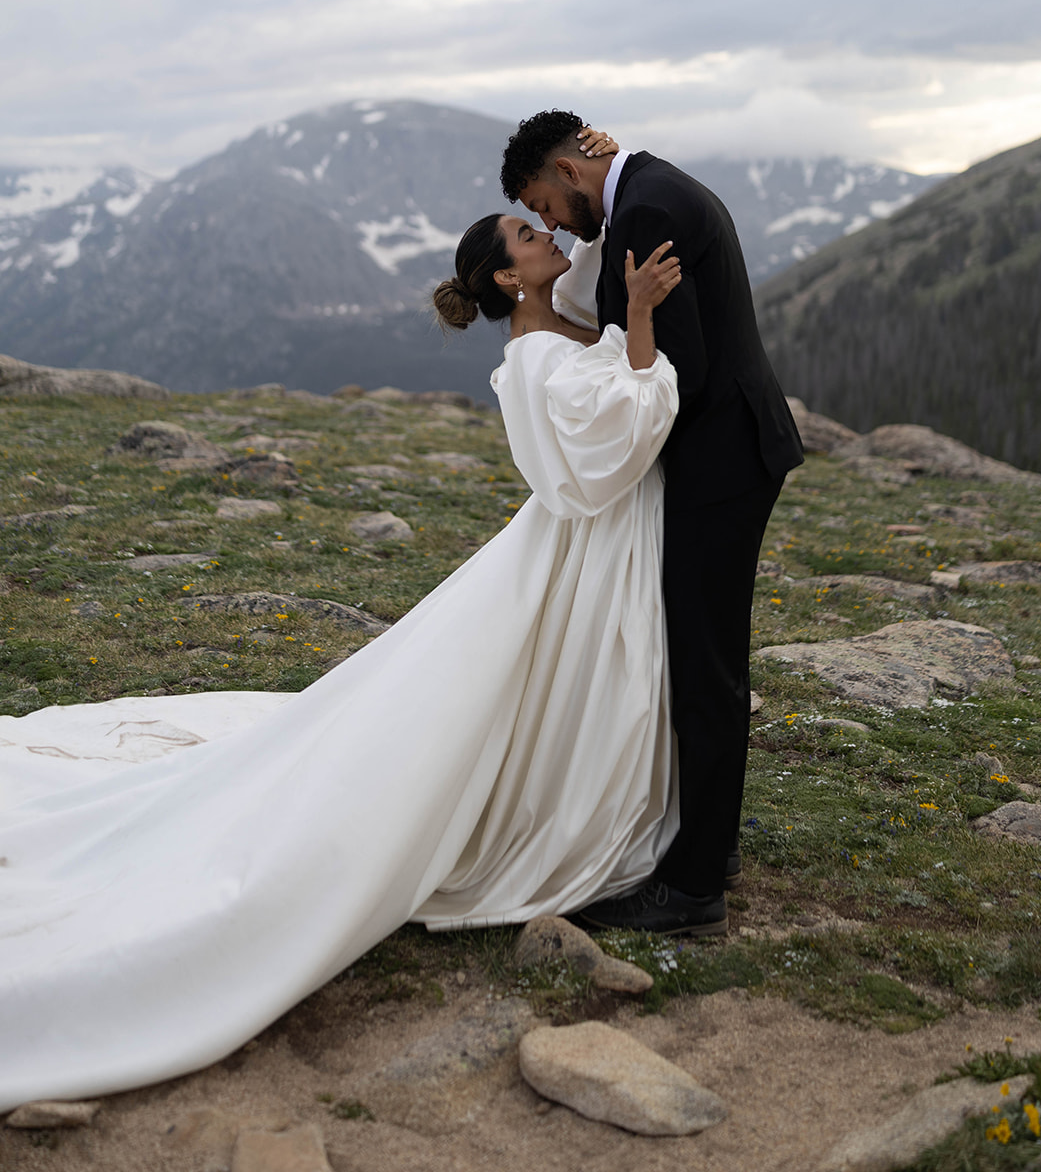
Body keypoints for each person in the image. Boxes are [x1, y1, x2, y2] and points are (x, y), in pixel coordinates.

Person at [0, 210, 683, 1113]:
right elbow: (602, 461)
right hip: (581, 544)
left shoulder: (549, 313)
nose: (549, 236)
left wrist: (596, 188)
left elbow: (588, 246)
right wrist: (637, 321)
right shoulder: (536, 356)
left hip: (579, 550)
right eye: (528, 235)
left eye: (540, 223)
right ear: (508, 279)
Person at [500, 111, 804, 935]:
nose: (554, 224)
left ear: (569, 168)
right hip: (731, 456)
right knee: (708, 658)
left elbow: (681, 371)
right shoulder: (648, 185)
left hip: (717, 465)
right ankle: (711, 841)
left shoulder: (644, 210)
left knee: (703, 668)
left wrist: (622, 399)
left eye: (546, 204)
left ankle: (694, 887)